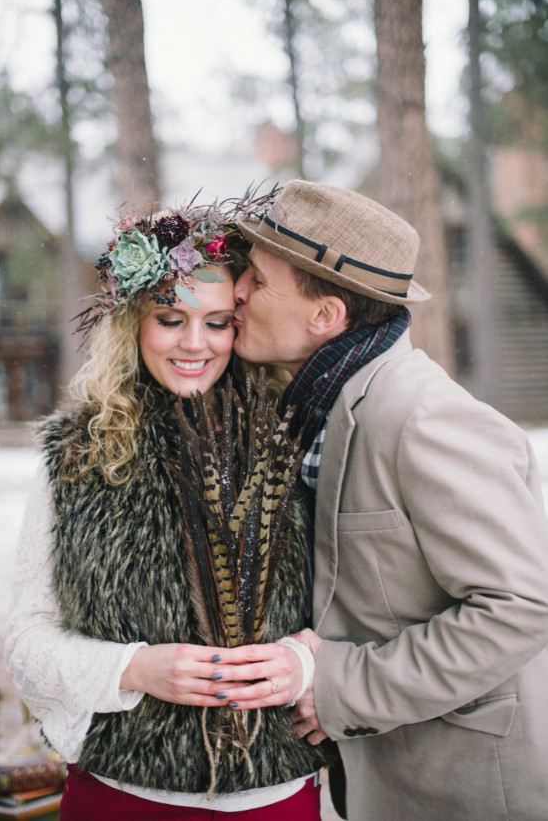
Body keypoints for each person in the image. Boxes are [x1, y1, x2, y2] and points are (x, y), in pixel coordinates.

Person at [203, 180, 548, 821]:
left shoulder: (426, 420)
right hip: (381, 783)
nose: (237, 292)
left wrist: (333, 685)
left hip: (463, 792)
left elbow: (521, 606)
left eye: (257, 278)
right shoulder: (322, 402)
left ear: (326, 317)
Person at [4, 190, 334, 821]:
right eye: (170, 319)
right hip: (123, 795)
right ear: (134, 323)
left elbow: (358, 603)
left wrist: (299, 659)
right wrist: (135, 668)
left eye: (217, 322)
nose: (195, 344)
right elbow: (26, 640)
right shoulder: (77, 454)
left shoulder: (295, 438)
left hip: (276, 795)